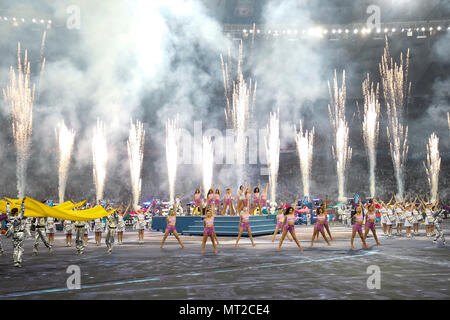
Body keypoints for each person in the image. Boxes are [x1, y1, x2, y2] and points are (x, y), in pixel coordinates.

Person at [5, 199, 27, 267]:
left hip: (14, 234)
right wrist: (23, 203)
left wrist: (8, 205)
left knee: (15, 248)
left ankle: (15, 262)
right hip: (20, 234)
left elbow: (7, 212)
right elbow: (22, 211)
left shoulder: (10, 218)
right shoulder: (19, 217)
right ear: (16, 212)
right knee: (20, 248)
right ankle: (18, 261)